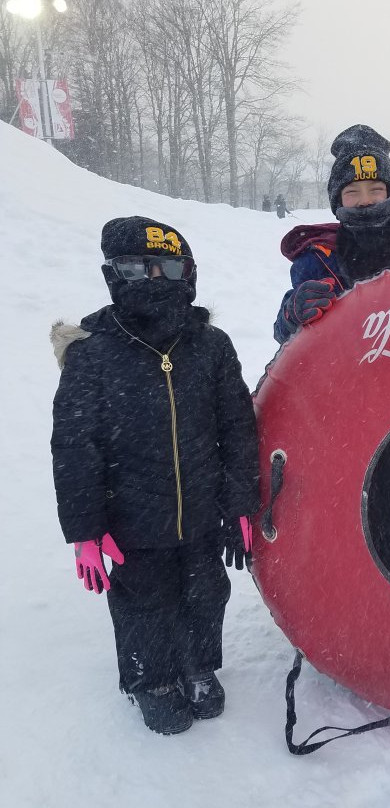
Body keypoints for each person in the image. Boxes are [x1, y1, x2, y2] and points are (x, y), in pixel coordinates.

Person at [50, 216, 259, 736]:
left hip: (204, 512)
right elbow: (75, 446)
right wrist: (84, 530)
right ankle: (152, 678)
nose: (153, 279)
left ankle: (198, 664)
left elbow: (237, 428)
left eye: (166, 267)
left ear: (187, 273)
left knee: (207, 592)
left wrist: (239, 503)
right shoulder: (92, 352)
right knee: (145, 601)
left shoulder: (211, 345)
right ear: (112, 273)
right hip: (132, 521)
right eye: (137, 268)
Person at [274, 124, 390, 343]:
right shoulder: (317, 260)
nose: (365, 200)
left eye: (376, 189)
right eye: (352, 192)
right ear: (338, 200)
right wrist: (291, 314)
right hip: (342, 372)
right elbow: (284, 337)